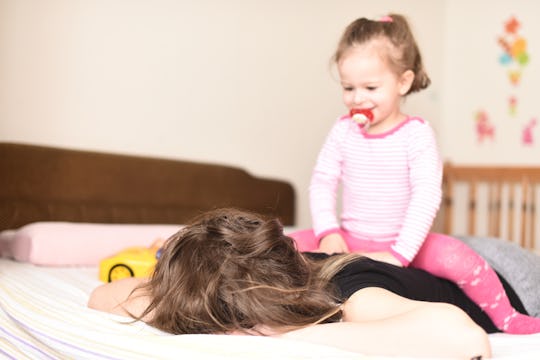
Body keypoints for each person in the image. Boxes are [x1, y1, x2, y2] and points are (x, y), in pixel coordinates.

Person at [288, 13, 540, 334]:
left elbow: (426, 195)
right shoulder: (343, 131)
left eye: (370, 87)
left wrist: (399, 253)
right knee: (284, 245)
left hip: (404, 241)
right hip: (350, 236)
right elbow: (322, 181)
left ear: (403, 82)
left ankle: (507, 318)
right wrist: (328, 232)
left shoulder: (415, 134)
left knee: (460, 259)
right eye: (348, 87)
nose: (357, 98)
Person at [89, 208, 491, 359]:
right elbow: (102, 296)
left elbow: (466, 342)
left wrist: (287, 335)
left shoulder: (350, 295)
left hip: (504, 276)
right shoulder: (250, 282)